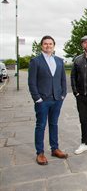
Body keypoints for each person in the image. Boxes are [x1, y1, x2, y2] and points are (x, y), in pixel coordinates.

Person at [28, 35, 68, 165]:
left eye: (50, 44)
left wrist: (63, 95)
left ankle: (54, 149)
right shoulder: (35, 61)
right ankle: (40, 153)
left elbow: (63, 80)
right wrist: (37, 99)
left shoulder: (59, 61)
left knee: (54, 124)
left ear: (54, 46)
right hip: (42, 101)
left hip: (57, 99)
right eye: (45, 44)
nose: (48, 46)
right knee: (41, 125)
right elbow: (32, 82)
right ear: (42, 46)